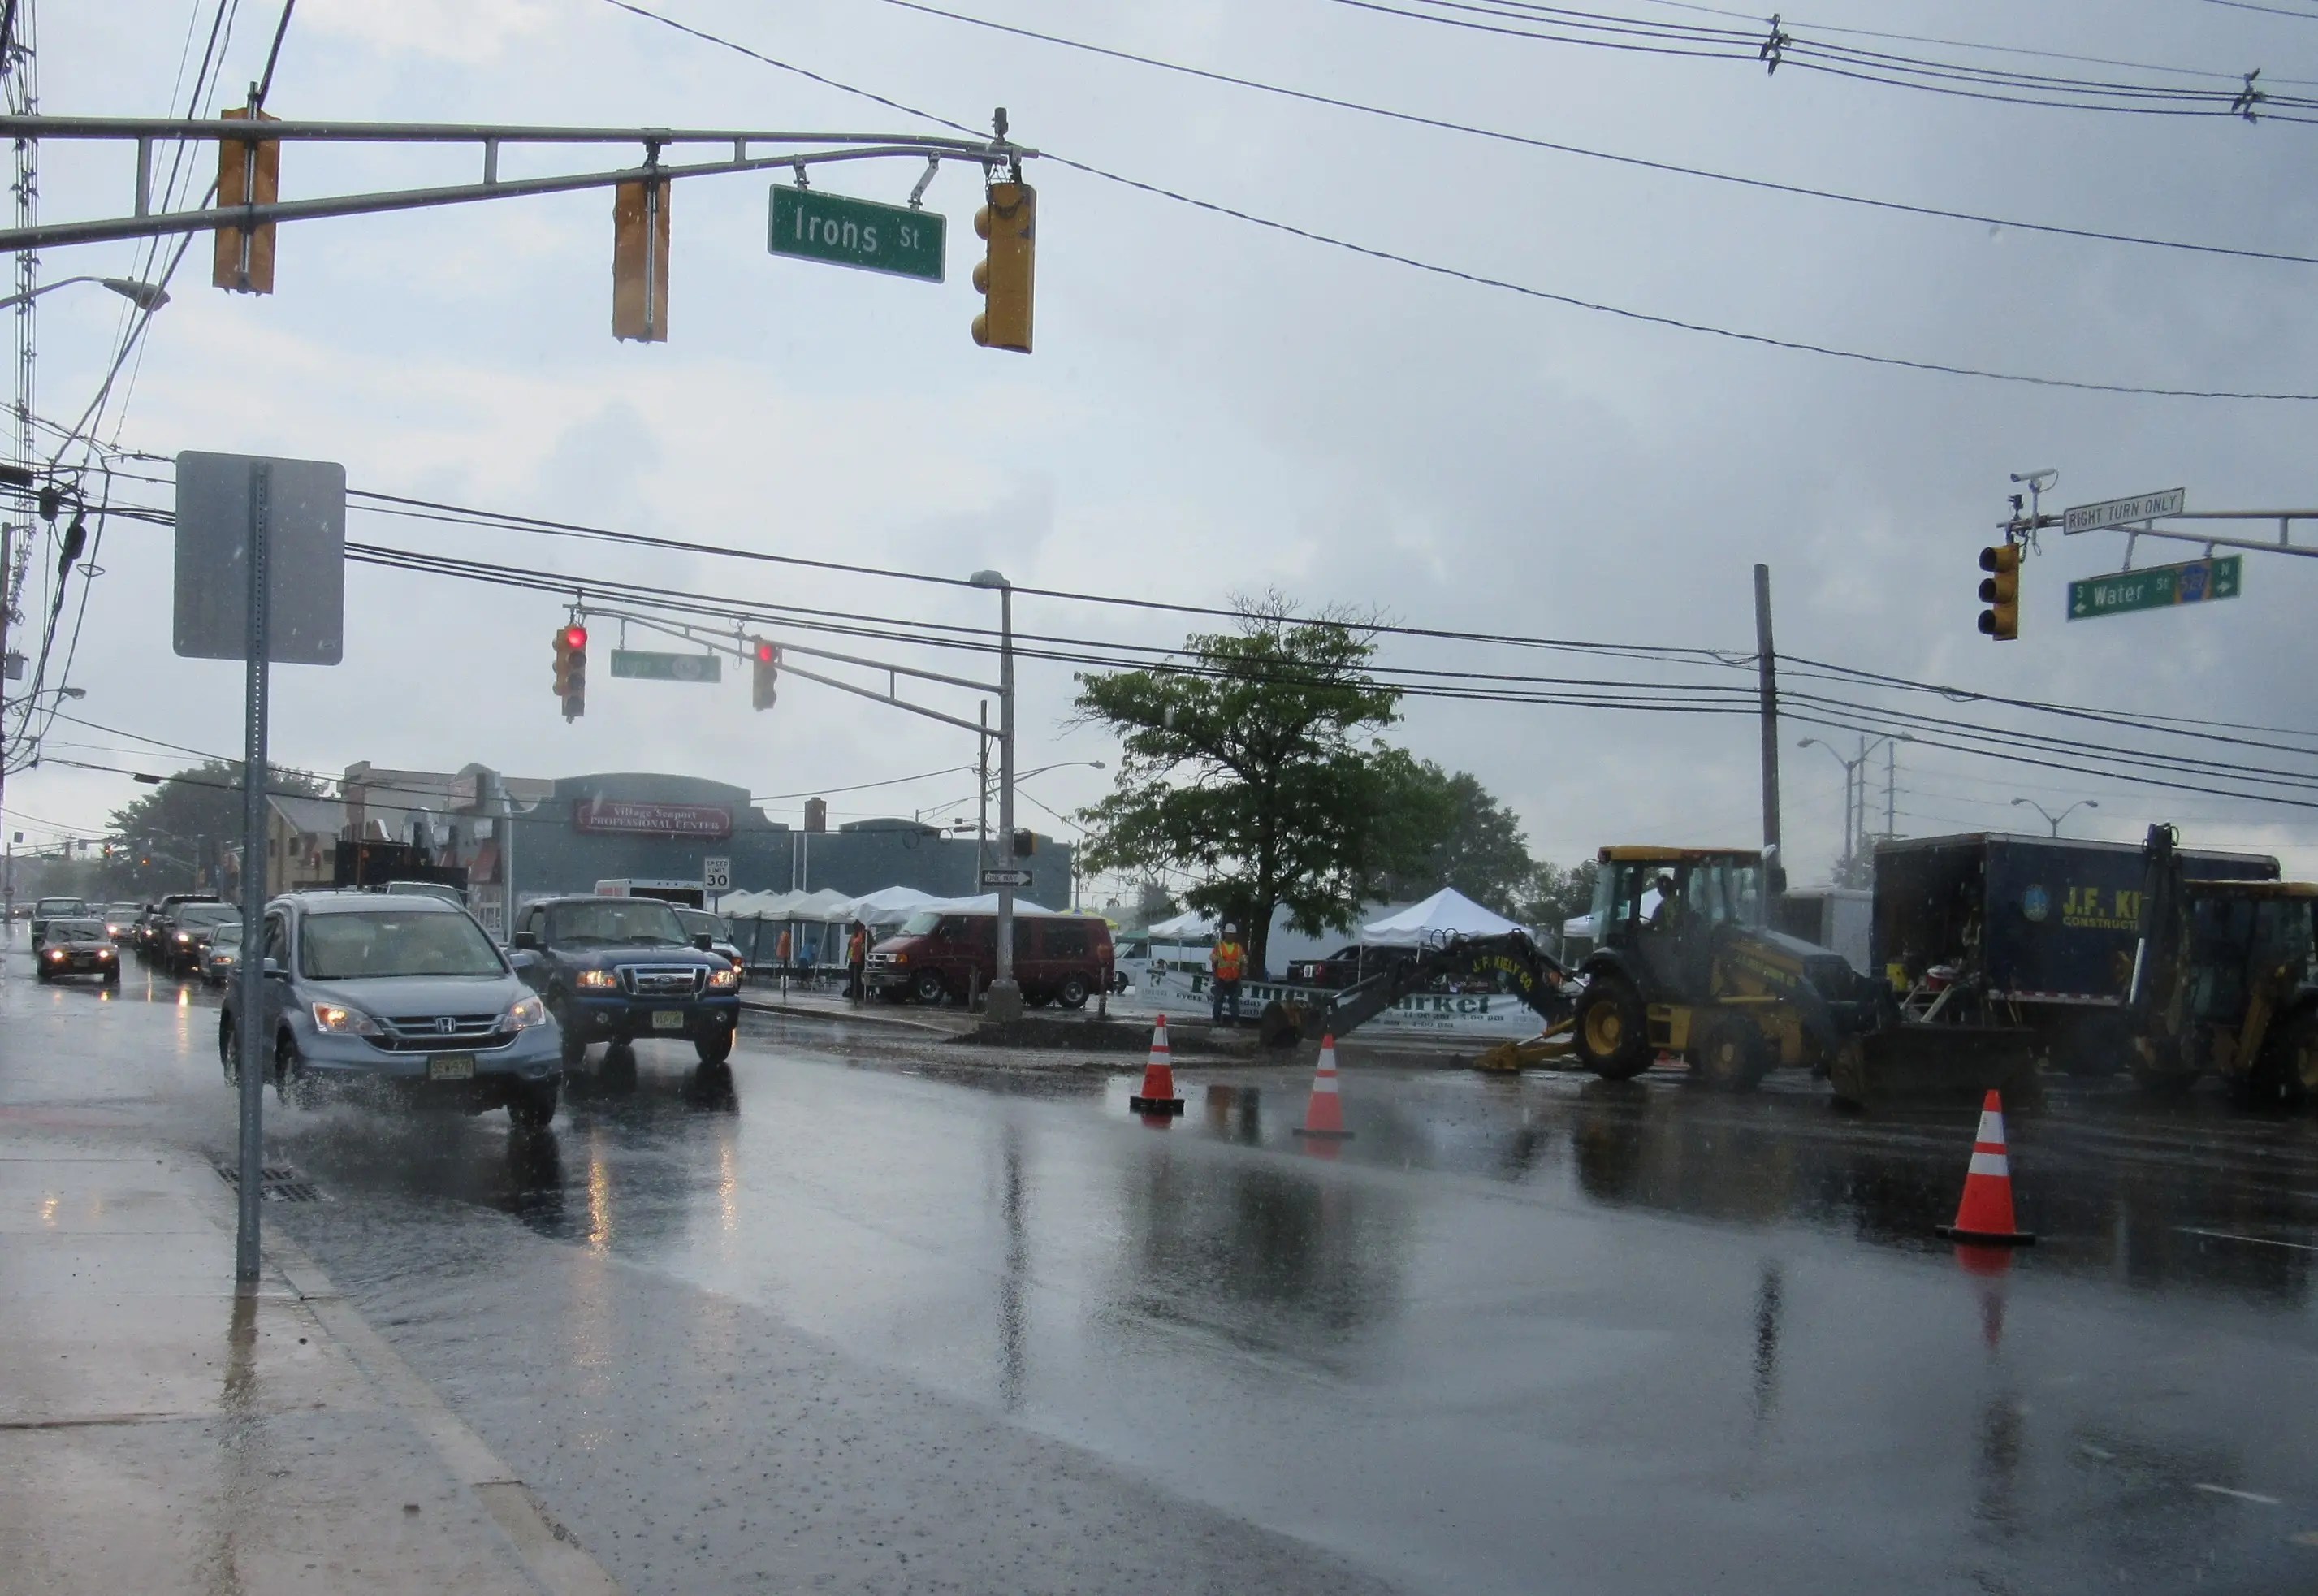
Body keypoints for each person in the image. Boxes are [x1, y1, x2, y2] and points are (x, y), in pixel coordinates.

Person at [1210, 923, 1247, 1023]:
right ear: (1225, 934)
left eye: (1232, 934)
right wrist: (1215, 977)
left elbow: (1243, 964)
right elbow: (1214, 963)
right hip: (1221, 979)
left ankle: (1235, 1020)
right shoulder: (1219, 947)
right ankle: (1216, 1019)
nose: (1231, 936)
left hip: (1234, 979)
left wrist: (1240, 978)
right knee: (1218, 1000)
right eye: (1229, 934)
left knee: (1234, 1001)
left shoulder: (1239, 948)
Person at [845, 920, 868, 1001]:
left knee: (859, 977)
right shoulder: (853, 935)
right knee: (852, 977)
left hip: (861, 960)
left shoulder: (865, 935)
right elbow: (849, 947)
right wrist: (847, 958)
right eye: (855, 927)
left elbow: (867, 946)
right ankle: (854, 991)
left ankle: (860, 993)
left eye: (857, 926)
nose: (856, 928)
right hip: (853, 960)